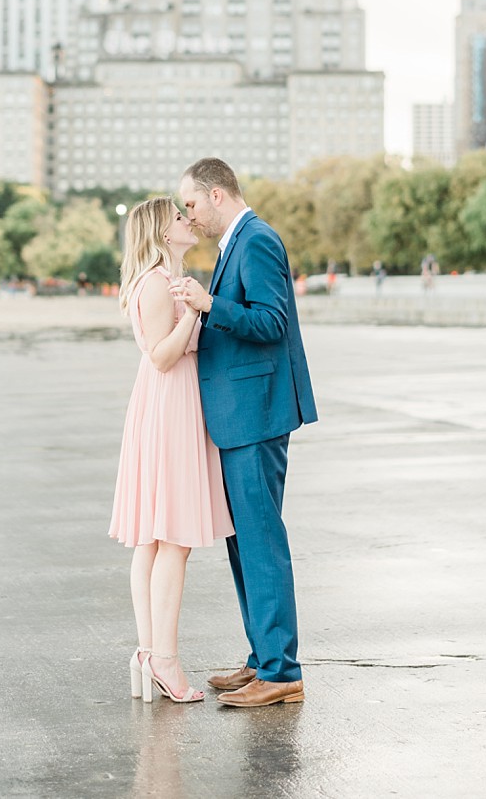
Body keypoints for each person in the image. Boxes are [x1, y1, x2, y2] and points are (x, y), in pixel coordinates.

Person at [173, 157, 318, 708]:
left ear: (216, 195)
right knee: (244, 542)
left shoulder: (256, 239)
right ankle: (263, 659)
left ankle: (282, 671)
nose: (190, 214)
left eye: (190, 203)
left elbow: (271, 322)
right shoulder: (238, 241)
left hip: (256, 415)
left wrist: (212, 305)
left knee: (261, 542)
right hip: (241, 416)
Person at [109, 197, 233, 705]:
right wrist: (195, 313)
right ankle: (164, 658)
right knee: (171, 538)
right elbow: (161, 357)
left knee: (154, 539)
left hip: (165, 407)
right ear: (163, 233)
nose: (189, 221)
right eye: (179, 218)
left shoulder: (164, 280)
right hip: (168, 404)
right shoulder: (159, 283)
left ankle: (149, 652)